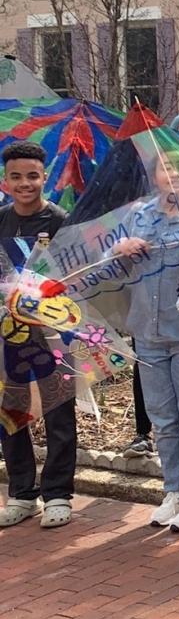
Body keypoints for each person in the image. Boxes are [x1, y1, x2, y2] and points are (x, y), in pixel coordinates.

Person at [111, 150, 179, 533]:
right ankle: (173, 490)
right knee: (163, 418)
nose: (172, 174)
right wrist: (119, 250)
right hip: (147, 332)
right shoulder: (137, 216)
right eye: (165, 167)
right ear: (154, 175)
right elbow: (112, 266)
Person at [0, 141, 74, 528]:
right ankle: (22, 494)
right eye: (17, 177)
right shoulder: (0, 221)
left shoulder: (61, 221)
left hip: (54, 334)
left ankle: (59, 493)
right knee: (11, 413)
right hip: (8, 336)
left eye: (32, 176)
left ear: (44, 178)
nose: (25, 183)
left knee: (59, 412)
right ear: (5, 181)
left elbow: (76, 277)